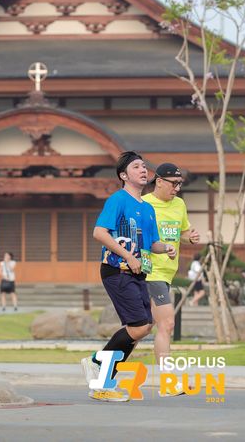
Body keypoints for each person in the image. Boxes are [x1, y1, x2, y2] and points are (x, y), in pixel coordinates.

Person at [81, 151, 177, 402]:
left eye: (144, 166)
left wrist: (166, 248)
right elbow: (99, 232)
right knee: (139, 325)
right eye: (136, 167)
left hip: (138, 272)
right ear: (124, 175)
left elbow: (152, 243)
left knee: (143, 326)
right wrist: (128, 256)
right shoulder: (118, 200)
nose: (143, 170)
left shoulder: (147, 208)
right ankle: (98, 366)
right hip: (117, 270)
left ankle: (101, 376)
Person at [142, 163, 200, 397]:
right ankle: (168, 383)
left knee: (141, 327)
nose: (177, 188)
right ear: (159, 182)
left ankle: (102, 363)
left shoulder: (179, 205)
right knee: (167, 324)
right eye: (174, 184)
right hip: (150, 272)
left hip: (167, 273)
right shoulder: (144, 204)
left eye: (180, 184)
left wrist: (189, 237)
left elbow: (181, 233)